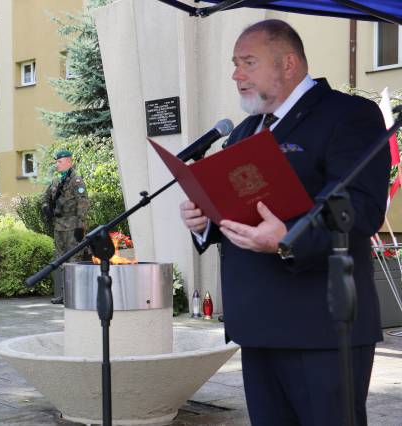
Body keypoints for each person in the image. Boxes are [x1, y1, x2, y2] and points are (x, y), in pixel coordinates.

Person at [179, 20, 390, 426]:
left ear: (288, 63)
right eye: (235, 63)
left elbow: (360, 209)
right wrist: (204, 221)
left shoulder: (348, 115)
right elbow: (240, 210)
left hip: (321, 327)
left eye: (249, 62)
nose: (236, 74)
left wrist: (288, 240)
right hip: (257, 324)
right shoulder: (244, 131)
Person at [41, 150, 89, 304]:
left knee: (74, 260)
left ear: (69, 162)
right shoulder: (56, 181)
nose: (57, 164)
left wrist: (80, 225)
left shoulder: (76, 181)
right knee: (60, 260)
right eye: (57, 162)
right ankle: (64, 294)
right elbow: (45, 196)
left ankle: (76, 294)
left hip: (73, 226)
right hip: (59, 226)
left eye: (60, 162)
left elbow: (83, 203)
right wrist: (46, 206)